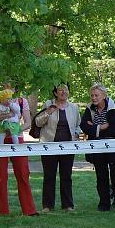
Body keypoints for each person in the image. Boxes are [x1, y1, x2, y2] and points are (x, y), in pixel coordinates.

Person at [0, 83, 38, 216]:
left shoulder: (21, 101)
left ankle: (29, 210)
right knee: (0, 175)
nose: (7, 87)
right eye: (4, 84)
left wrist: (13, 131)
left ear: (15, 89)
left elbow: (27, 122)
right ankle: (2, 210)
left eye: (10, 85)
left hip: (17, 139)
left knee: (23, 173)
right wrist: (5, 117)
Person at [80, 83, 115, 212]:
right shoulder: (89, 108)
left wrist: (94, 127)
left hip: (114, 147)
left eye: (96, 95)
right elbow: (83, 126)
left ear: (104, 96)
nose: (94, 98)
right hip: (97, 147)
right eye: (92, 95)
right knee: (101, 175)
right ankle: (104, 204)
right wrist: (101, 127)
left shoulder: (113, 107)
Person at [34, 83, 80, 212]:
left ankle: (68, 205)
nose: (63, 92)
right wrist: (48, 112)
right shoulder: (48, 104)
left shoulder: (74, 107)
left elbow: (78, 125)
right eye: (60, 90)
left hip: (68, 147)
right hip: (49, 146)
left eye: (66, 89)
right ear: (55, 93)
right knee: (49, 176)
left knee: (66, 176)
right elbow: (38, 122)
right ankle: (47, 206)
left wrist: (76, 133)